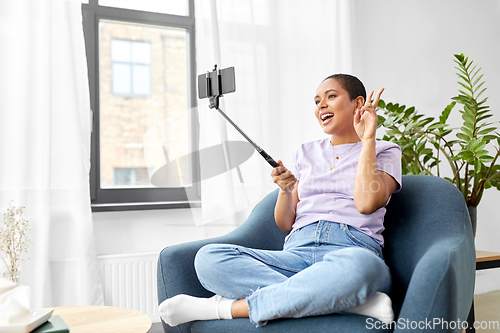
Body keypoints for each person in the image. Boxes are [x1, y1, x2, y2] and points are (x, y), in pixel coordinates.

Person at [159, 74, 402, 327]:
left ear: (357, 103)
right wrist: (286, 190)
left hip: (351, 251)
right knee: (209, 259)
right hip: (296, 253)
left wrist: (368, 140)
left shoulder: (385, 151)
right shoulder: (304, 153)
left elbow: (366, 204)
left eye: (331, 96)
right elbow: (285, 223)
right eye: (317, 100)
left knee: (362, 269)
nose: (321, 105)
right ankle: (346, 301)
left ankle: (223, 308)